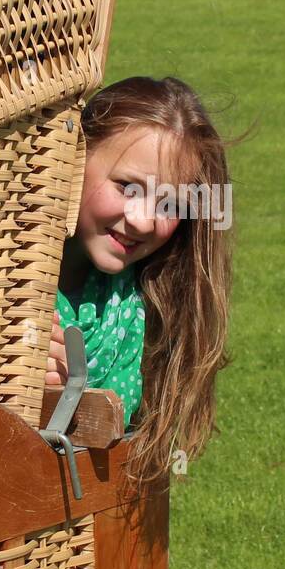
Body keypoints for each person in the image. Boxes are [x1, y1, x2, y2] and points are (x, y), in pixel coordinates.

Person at [46, 76, 238, 492]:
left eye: (169, 204)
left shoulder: (145, 305)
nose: (143, 219)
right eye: (127, 187)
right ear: (76, 156)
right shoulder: (6, 286)